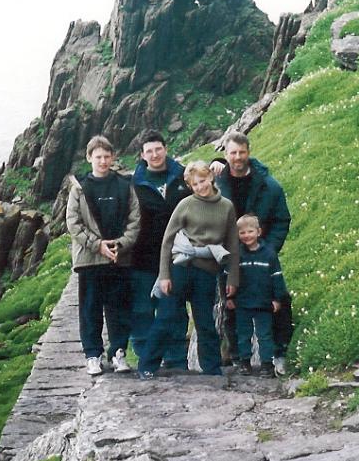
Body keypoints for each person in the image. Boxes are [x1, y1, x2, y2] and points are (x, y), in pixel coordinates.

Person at [137, 161, 239, 379]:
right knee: (166, 317)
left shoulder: (227, 207)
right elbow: (167, 241)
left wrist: (233, 278)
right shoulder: (185, 205)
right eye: (195, 184)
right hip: (180, 268)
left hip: (207, 271)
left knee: (205, 321)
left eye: (202, 181)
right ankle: (147, 365)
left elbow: (232, 244)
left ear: (211, 177)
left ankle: (212, 369)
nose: (200, 187)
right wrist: (164, 275)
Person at [210, 131, 292, 374]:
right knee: (231, 305)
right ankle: (238, 357)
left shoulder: (269, 185)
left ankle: (278, 355)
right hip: (228, 257)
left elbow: (281, 220)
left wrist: (268, 249)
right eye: (232, 153)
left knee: (276, 303)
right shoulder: (216, 182)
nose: (237, 157)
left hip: (260, 256)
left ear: (249, 152)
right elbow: (193, 178)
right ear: (225, 154)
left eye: (241, 152)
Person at [66, 135, 140, 376]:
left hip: (118, 258)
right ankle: (93, 355)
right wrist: (98, 245)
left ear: (113, 157)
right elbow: (73, 223)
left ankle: (118, 352)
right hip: (90, 260)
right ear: (89, 158)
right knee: (90, 309)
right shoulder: (79, 188)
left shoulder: (124, 185)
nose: (103, 161)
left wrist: (119, 245)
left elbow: (135, 220)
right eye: (98, 157)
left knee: (119, 307)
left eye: (107, 156)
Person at [131, 131, 191, 368]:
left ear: (166, 148)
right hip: (141, 257)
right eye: (149, 151)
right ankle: (147, 358)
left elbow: (209, 181)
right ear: (142, 155)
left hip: (176, 256)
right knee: (142, 309)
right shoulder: (134, 184)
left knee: (174, 308)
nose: (154, 155)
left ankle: (176, 359)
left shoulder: (183, 176)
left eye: (158, 149)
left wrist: (220, 162)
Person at [226, 214, 288, 378]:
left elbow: (277, 277)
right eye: (242, 233)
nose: (247, 236)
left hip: (264, 302)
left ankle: (267, 364)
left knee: (265, 335)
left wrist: (277, 298)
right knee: (243, 334)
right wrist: (229, 298)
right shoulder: (236, 254)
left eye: (250, 231)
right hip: (242, 303)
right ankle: (244, 362)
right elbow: (229, 279)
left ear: (259, 232)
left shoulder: (269, 254)